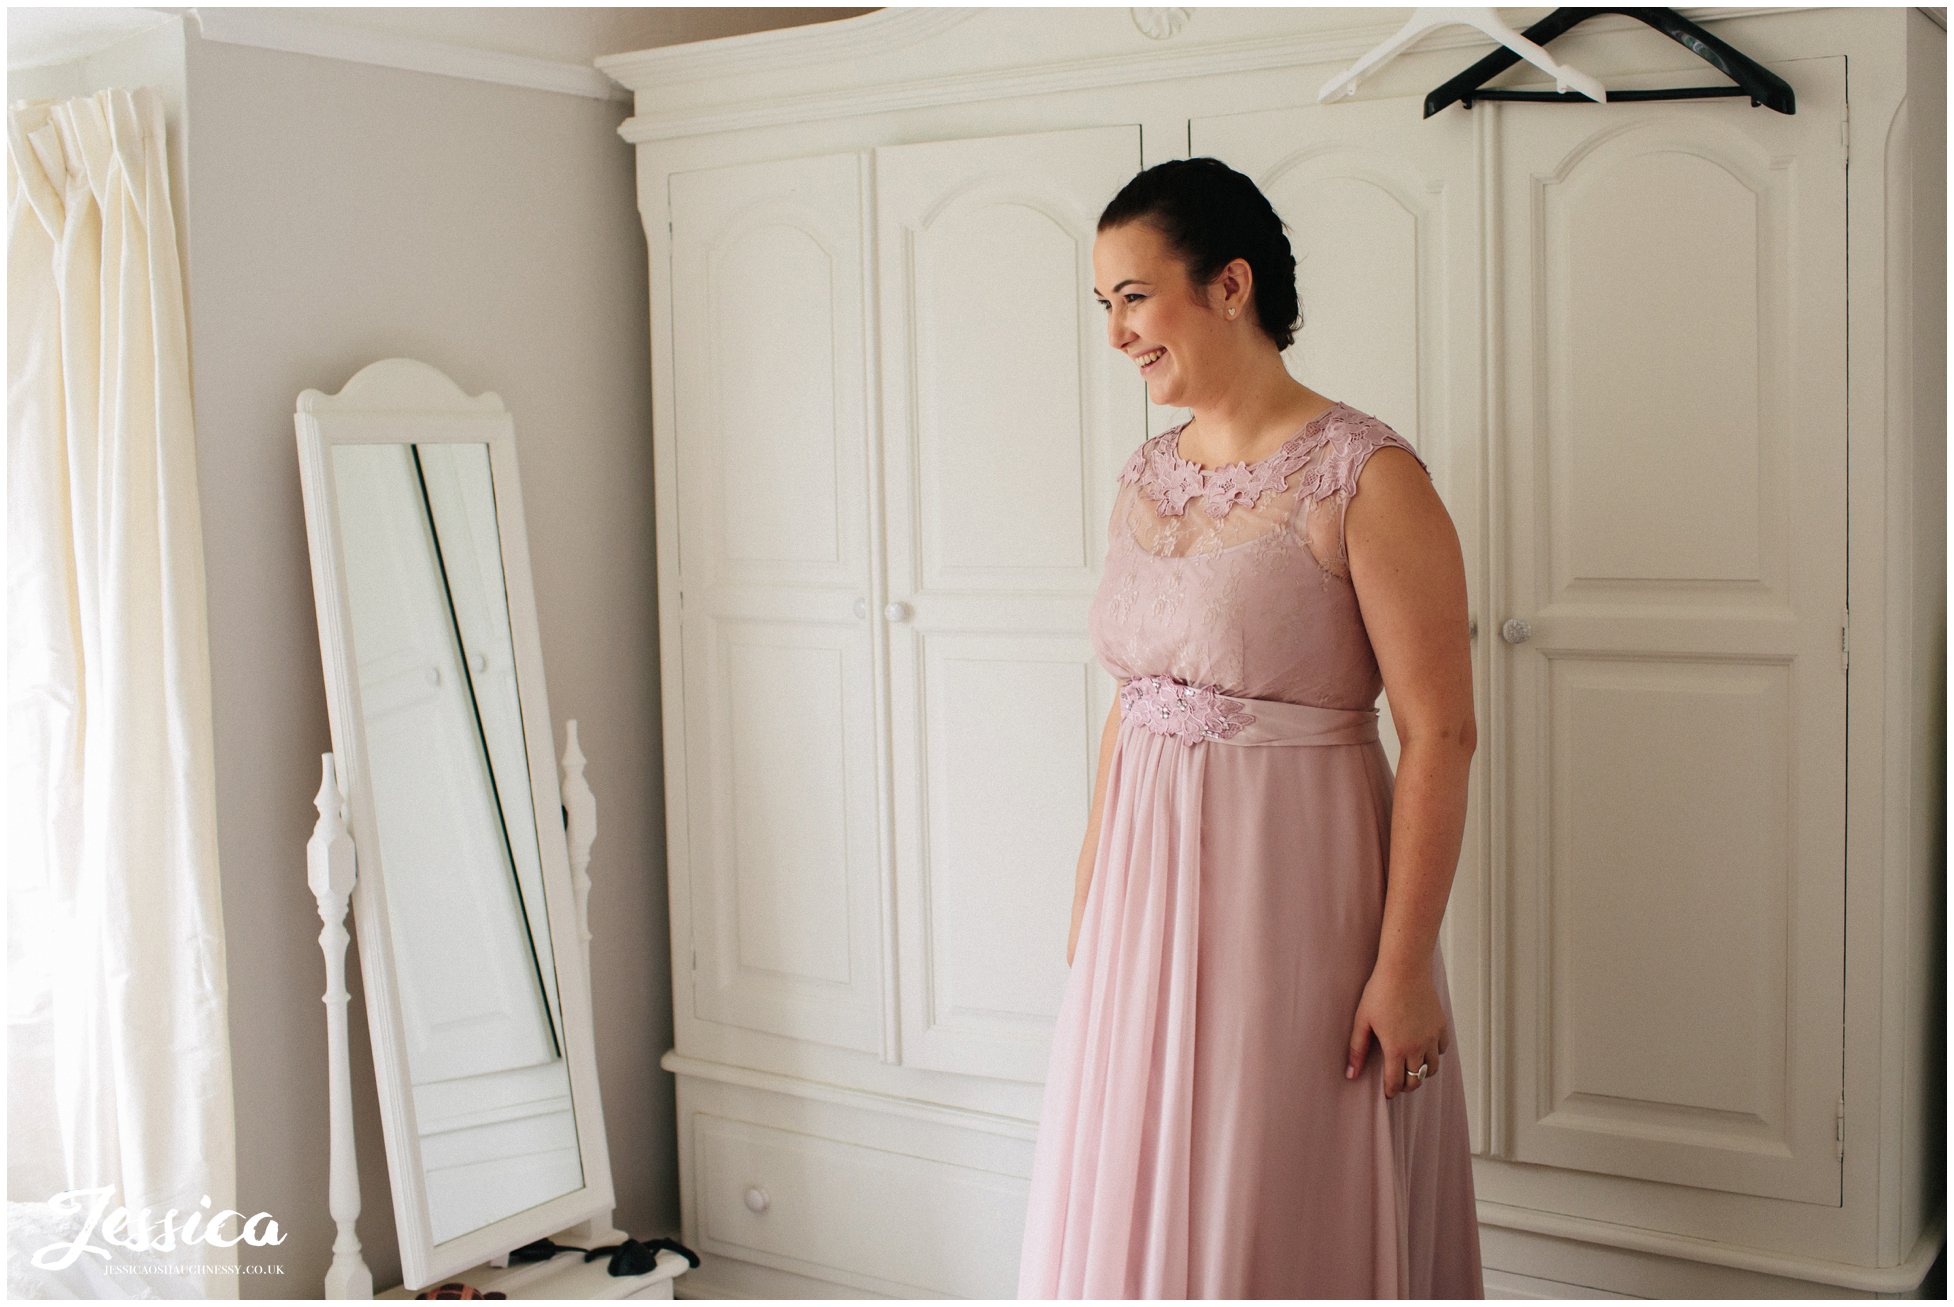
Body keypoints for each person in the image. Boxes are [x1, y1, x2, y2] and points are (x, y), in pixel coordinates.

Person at [1015, 158, 1486, 1299]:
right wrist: (1092, 902)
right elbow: (1131, 702)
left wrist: (1403, 967)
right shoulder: (1144, 477)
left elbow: (1442, 734)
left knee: (1270, 1179)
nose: (1118, 331)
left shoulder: (1366, 476)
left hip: (1294, 900)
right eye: (1103, 305)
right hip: (1141, 901)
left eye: (1134, 295)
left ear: (1230, 286)